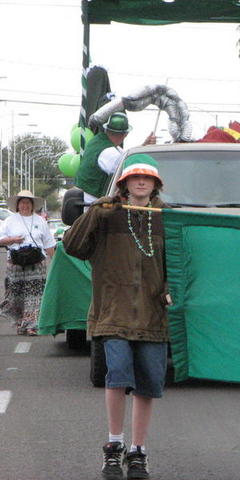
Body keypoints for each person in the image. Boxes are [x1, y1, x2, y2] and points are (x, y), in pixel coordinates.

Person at [63, 154, 170, 480]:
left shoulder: (167, 218)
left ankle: (138, 451)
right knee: (118, 376)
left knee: (148, 385)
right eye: (134, 178)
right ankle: (114, 446)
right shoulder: (106, 214)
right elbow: (73, 245)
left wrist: (169, 287)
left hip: (153, 316)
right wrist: (96, 213)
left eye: (147, 178)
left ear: (155, 184)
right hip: (113, 313)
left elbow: (181, 263)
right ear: (123, 183)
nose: (141, 183)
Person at [0, 190, 56, 335]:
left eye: (28, 203)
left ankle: (33, 324)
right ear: (18, 205)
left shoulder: (40, 221)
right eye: (22, 202)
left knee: (36, 295)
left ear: (32, 205)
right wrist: (13, 240)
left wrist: (55, 261)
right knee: (16, 295)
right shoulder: (9, 221)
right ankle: (20, 323)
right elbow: (1, 239)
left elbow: (49, 244)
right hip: (16, 264)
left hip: (36, 264)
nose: (25, 205)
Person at [75, 112, 156, 206]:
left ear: (107, 129)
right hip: (96, 208)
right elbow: (128, 170)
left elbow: (125, 155)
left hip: (91, 203)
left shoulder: (98, 141)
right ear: (125, 134)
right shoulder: (109, 153)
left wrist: (144, 146)